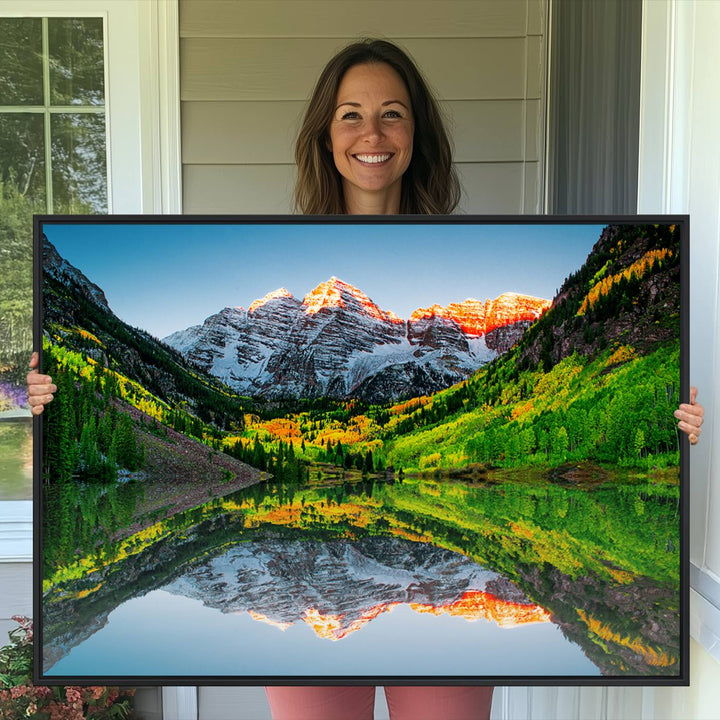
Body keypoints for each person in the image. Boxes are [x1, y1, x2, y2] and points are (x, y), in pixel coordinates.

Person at [26, 37, 705, 720]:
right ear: (325, 135)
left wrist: (667, 423)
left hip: (440, 645)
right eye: (350, 114)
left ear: (418, 133)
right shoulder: (284, 257)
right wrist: (49, 398)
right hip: (312, 627)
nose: (372, 134)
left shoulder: (461, 247)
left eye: (393, 114)